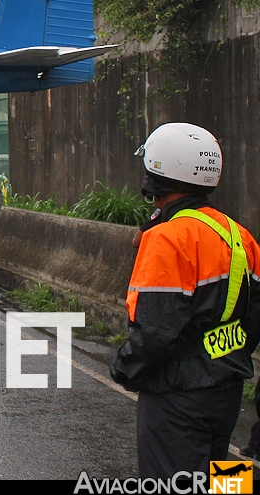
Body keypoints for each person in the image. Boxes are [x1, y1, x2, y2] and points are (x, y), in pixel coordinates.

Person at [110, 123, 260, 477]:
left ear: (156, 174)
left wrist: (124, 366)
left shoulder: (168, 239)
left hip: (176, 394)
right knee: (222, 479)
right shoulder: (240, 236)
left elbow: (156, 332)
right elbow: (253, 320)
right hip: (227, 389)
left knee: (170, 481)